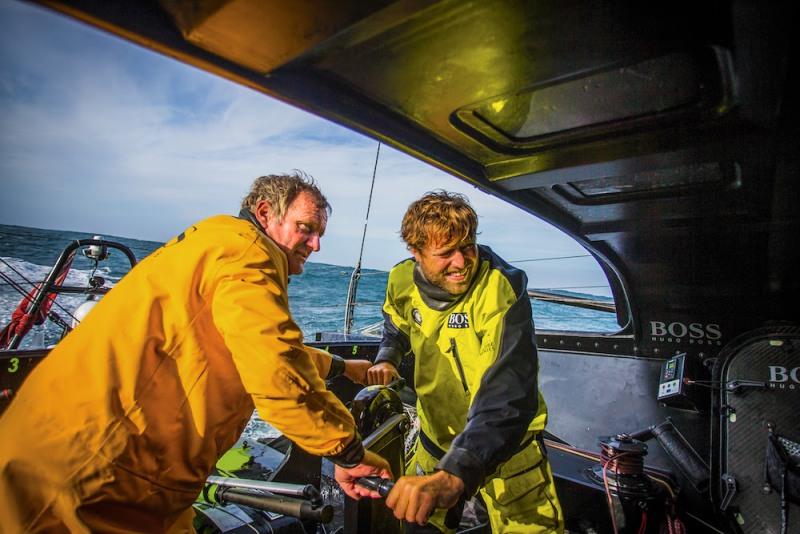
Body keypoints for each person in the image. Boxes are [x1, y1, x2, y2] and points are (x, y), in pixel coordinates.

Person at [0, 172, 391, 532]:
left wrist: (341, 365)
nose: (316, 244)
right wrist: (349, 453)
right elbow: (277, 373)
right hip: (89, 477)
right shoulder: (248, 257)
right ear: (265, 212)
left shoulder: (217, 242)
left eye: (319, 234)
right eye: (306, 229)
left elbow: (257, 347)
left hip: (101, 463)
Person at [367, 191, 563, 533]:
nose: (461, 262)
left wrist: (457, 471)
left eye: (468, 246)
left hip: (509, 451)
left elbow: (509, 392)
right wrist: (388, 359)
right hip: (434, 443)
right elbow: (396, 328)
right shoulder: (400, 280)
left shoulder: (499, 288)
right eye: (445, 253)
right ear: (415, 253)